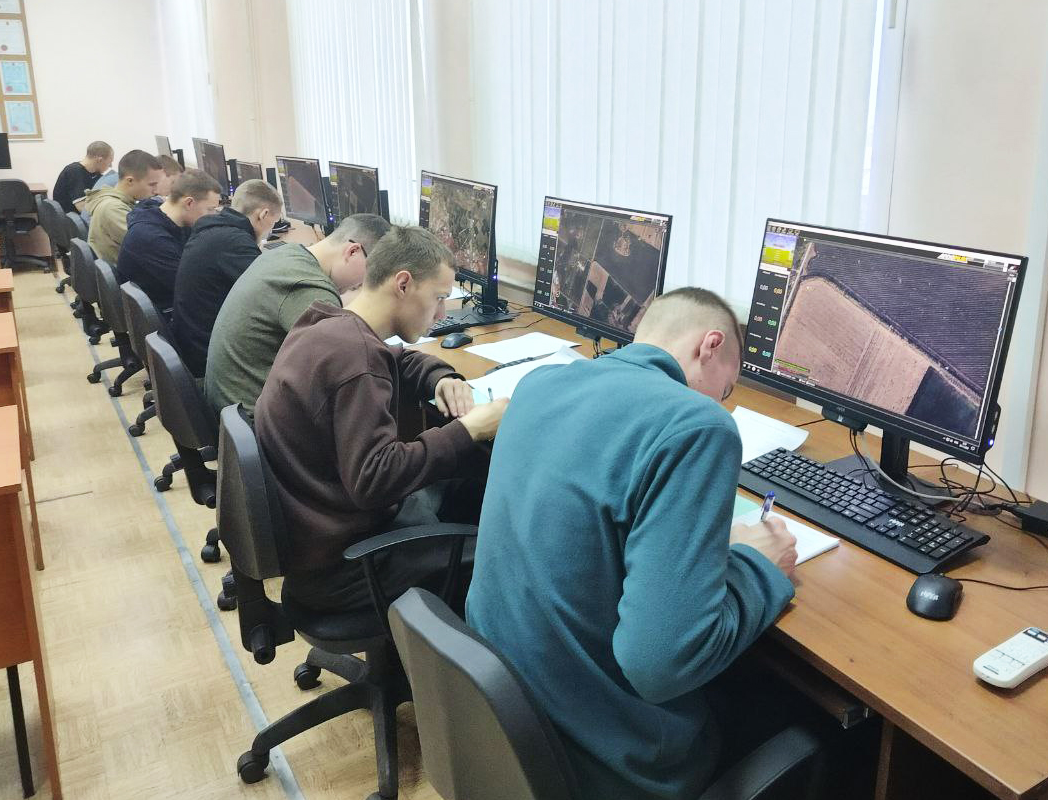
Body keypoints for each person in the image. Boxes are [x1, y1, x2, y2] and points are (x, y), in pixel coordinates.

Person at [466, 287, 801, 800]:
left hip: (504, 716)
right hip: (603, 754)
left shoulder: (541, 383)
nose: (721, 403)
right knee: (812, 716)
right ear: (710, 345)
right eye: (727, 389)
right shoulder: (697, 426)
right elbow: (661, 666)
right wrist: (759, 565)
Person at [254, 225, 507, 614]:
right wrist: (469, 429)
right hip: (347, 567)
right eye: (439, 298)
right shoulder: (357, 360)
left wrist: (439, 377)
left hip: (319, 535)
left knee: (470, 478)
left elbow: (396, 358)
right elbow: (375, 480)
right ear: (403, 284)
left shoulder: (327, 323)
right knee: (502, 553)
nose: (442, 314)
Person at [204, 213, 390, 416]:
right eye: (368, 276)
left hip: (230, 410)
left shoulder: (286, 254)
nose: (362, 285)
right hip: (251, 419)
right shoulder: (308, 286)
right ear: (353, 251)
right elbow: (350, 362)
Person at [170, 179, 283, 377]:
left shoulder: (215, 229)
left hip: (193, 342)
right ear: (263, 214)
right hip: (209, 358)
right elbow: (276, 292)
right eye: (273, 224)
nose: (270, 230)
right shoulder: (234, 242)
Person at [115, 168, 222, 313]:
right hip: (166, 315)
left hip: (166, 304)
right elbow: (193, 288)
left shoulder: (166, 222)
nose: (213, 215)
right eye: (210, 209)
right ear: (189, 203)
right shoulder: (151, 238)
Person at [85, 150, 165, 264]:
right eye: (152, 184)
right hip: (125, 272)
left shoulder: (120, 202)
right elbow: (152, 245)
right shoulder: (112, 209)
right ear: (130, 181)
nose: (156, 190)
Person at [51, 141, 113, 214]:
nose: (110, 166)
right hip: (71, 218)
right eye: (110, 162)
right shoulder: (74, 171)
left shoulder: (95, 174)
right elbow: (82, 208)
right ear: (100, 160)